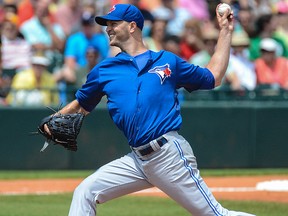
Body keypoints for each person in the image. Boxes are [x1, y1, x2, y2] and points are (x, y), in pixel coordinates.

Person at [43, 3, 255, 216]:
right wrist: (55, 118)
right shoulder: (104, 70)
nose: (108, 28)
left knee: (215, 214)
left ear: (132, 26)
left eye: (114, 23)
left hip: (167, 154)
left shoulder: (167, 61)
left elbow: (214, 76)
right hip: (137, 160)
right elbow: (81, 104)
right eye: (107, 24)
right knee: (85, 192)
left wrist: (226, 32)